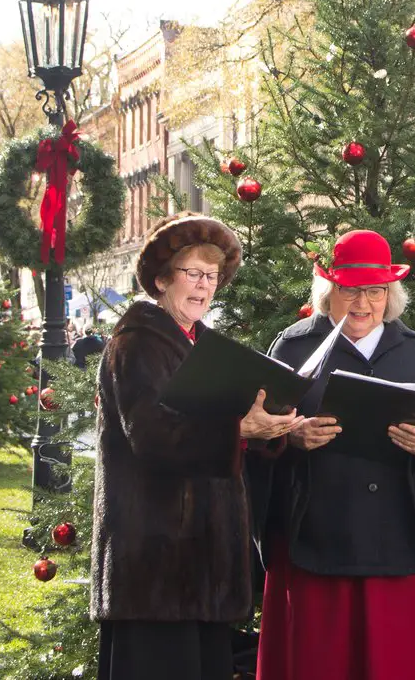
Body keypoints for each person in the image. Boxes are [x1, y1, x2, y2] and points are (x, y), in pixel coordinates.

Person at [248, 229, 415, 680]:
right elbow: (256, 435)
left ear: (389, 295)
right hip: (314, 540)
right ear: (328, 291)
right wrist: (291, 436)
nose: (362, 303)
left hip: (398, 543)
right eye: (350, 290)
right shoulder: (293, 349)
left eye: (375, 291)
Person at [91, 212, 303, 680]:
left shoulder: (203, 345)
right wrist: (240, 431)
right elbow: (151, 436)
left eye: (213, 276)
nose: (204, 286)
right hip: (154, 563)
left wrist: (270, 428)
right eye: (193, 274)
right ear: (163, 279)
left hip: (202, 565)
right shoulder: (137, 342)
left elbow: (225, 434)